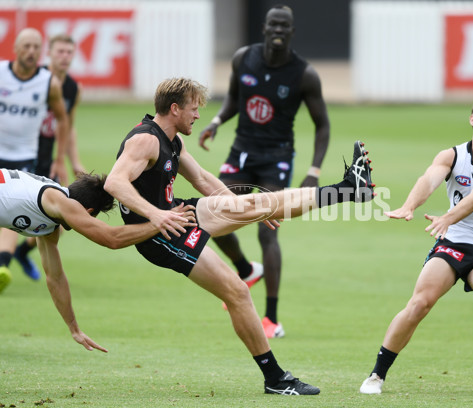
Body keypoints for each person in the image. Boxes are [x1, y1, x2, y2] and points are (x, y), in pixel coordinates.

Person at [104, 77, 373, 395]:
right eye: (194, 108)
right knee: (237, 293)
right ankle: (275, 379)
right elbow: (114, 182)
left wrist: (247, 211)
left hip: (177, 217)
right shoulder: (145, 140)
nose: (198, 115)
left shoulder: (171, 140)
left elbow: (203, 178)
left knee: (261, 203)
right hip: (160, 235)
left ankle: (346, 190)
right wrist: (156, 215)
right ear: (174, 109)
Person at [359, 93, 473, 395]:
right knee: (419, 304)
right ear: (472, 118)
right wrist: (409, 206)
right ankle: (376, 376)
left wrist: (448, 217)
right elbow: (429, 179)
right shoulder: (452, 155)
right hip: (453, 245)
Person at [198, 4, 330, 338]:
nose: (278, 31)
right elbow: (233, 100)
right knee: (215, 214)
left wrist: (313, 171)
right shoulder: (244, 58)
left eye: (284, 26)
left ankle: (271, 318)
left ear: (292, 32)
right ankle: (245, 269)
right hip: (242, 152)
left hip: (277, 158)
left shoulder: (304, 75)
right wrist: (215, 122)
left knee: (267, 232)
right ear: (264, 28)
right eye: (273, 25)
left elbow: (322, 125)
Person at [0, 168, 195, 351]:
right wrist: (160, 223)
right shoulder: (61, 202)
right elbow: (112, 239)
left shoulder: (49, 225)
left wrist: (74, 328)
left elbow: (55, 278)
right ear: (89, 212)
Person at [0, 28, 70, 289]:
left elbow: (63, 119)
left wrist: (59, 158)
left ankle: (3, 264)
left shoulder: (48, 82)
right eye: (26, 46)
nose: (31, 52)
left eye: (35, 48)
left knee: (9, 211)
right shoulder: (1, 73)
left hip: (23, 159)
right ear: (16, 49)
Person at [14, 33, 86, 281]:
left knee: (59, 218)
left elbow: (69, 126)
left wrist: (71, 161)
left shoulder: (73, 88)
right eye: (60, 52)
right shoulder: (37, 79)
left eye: (69, 52)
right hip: (22, 154)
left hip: (48, 158)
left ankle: (21, 253)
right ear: (50, 54)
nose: (65, 57)